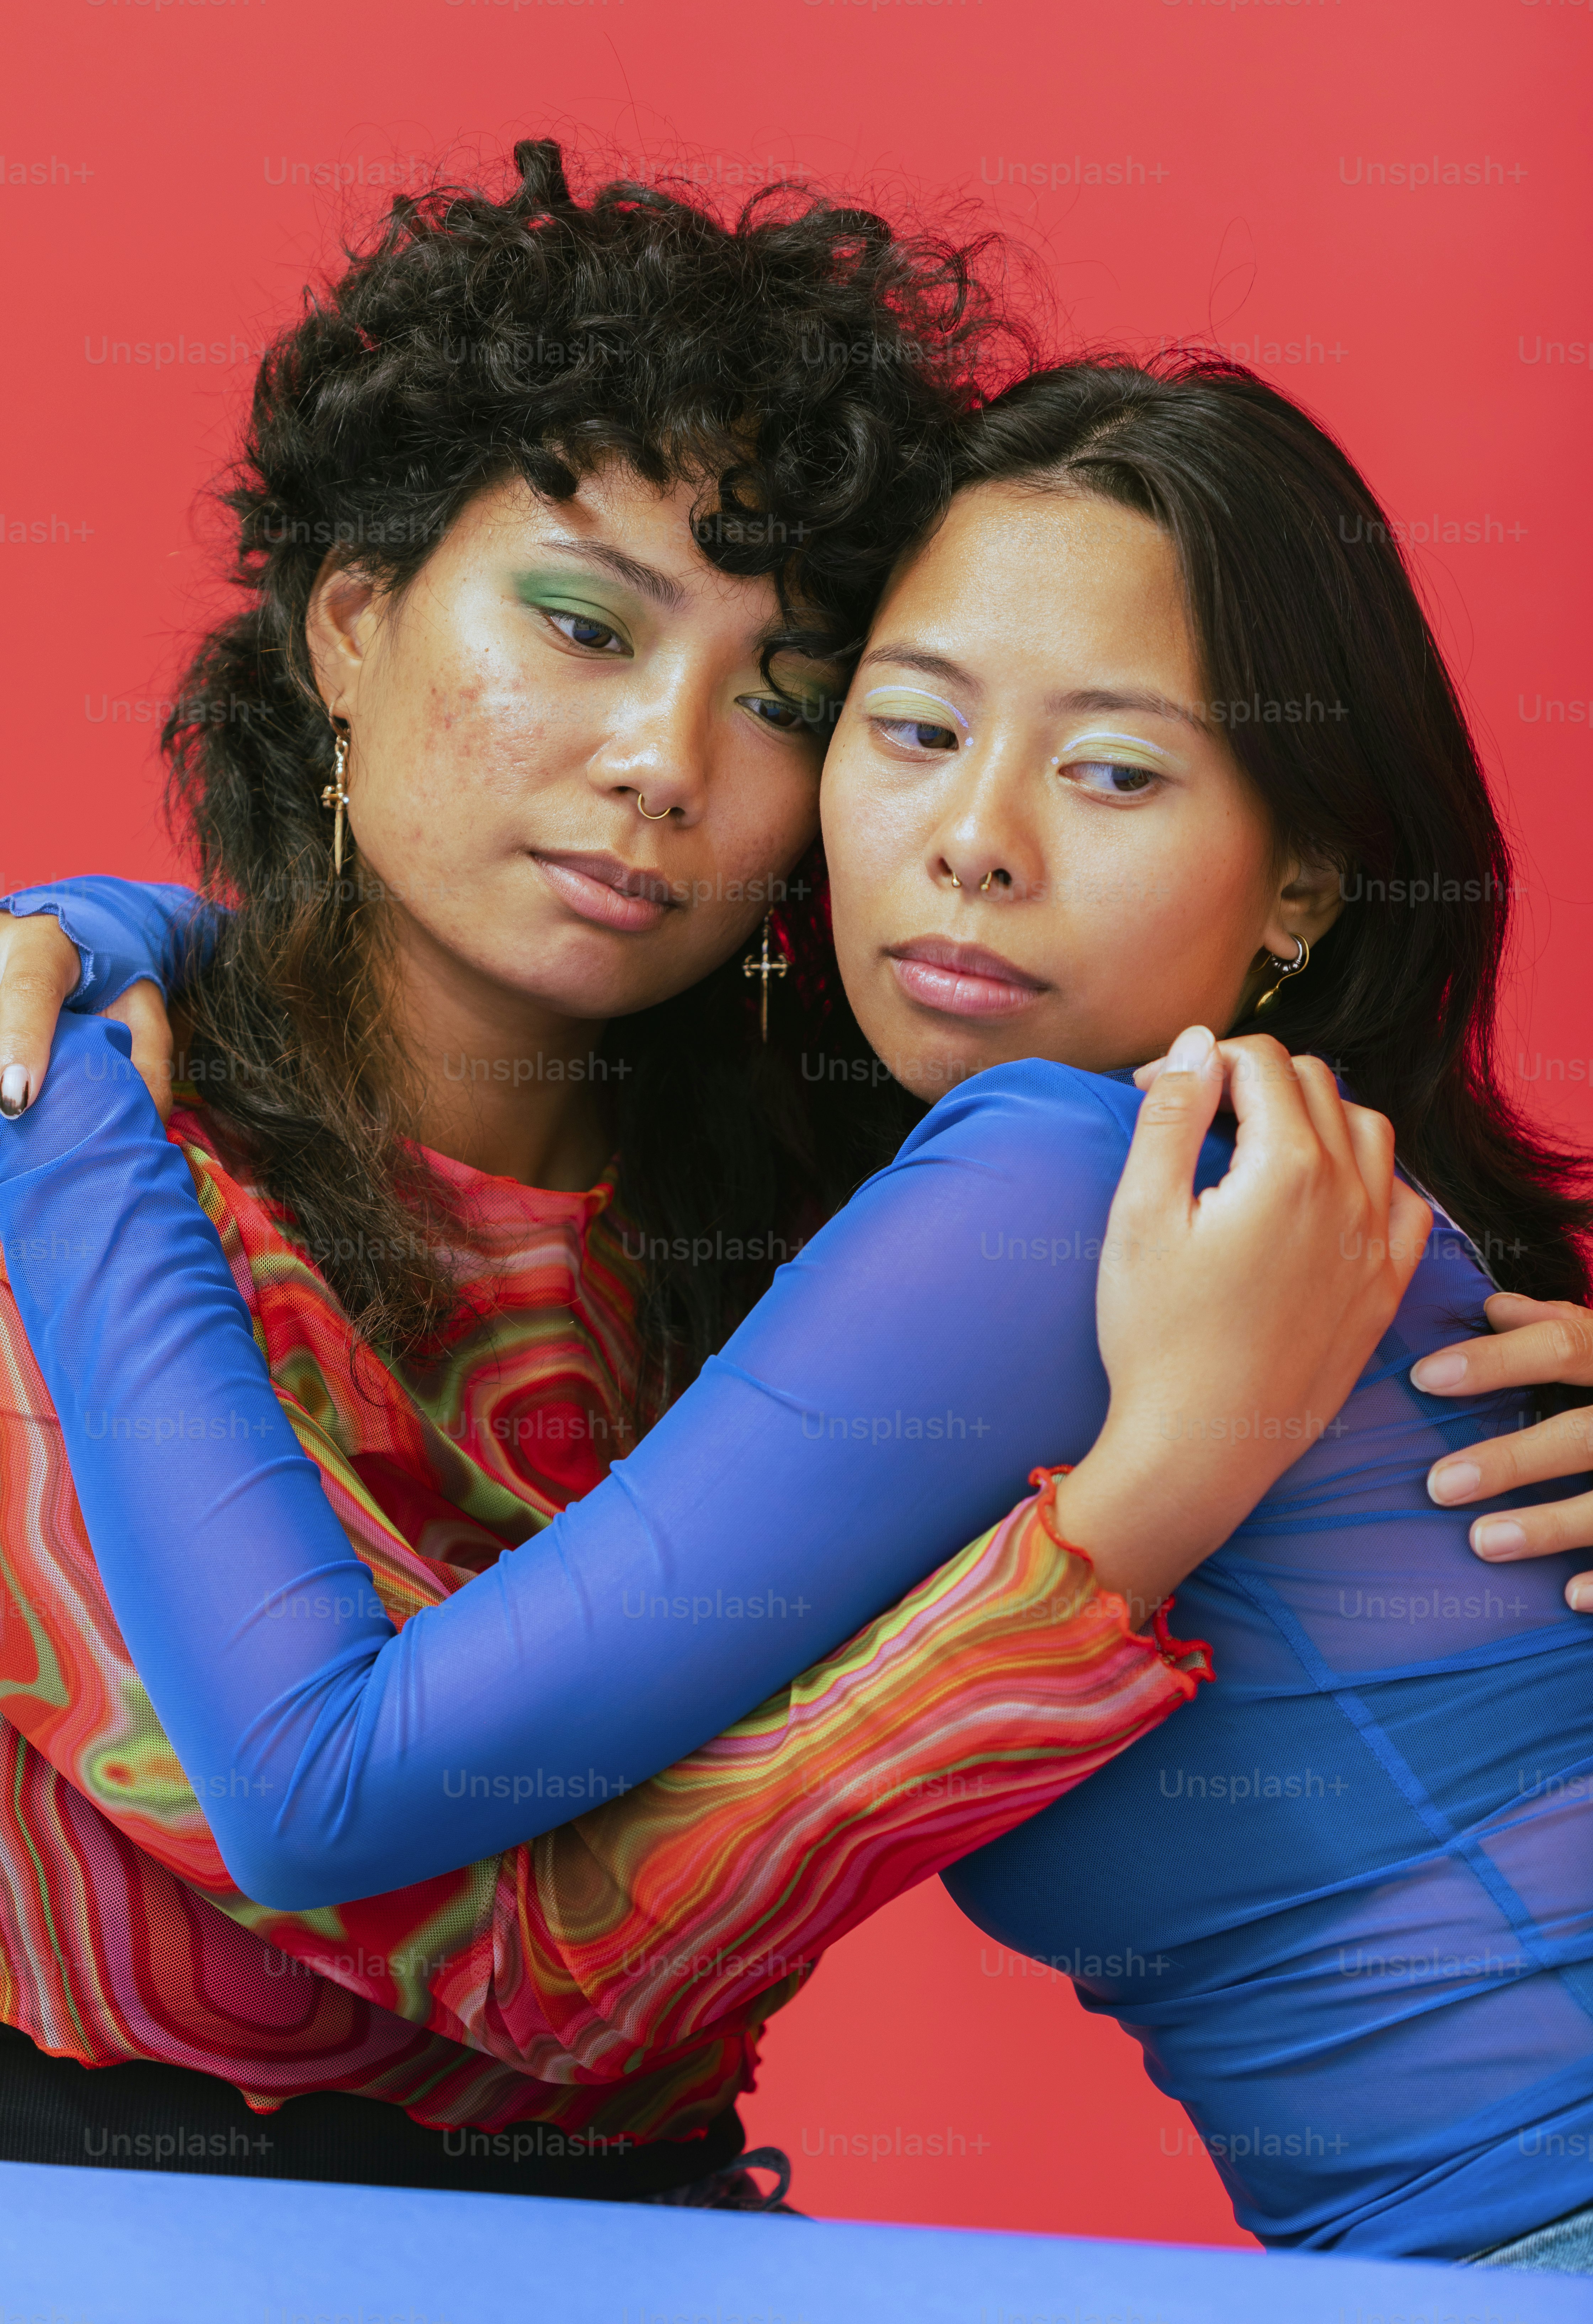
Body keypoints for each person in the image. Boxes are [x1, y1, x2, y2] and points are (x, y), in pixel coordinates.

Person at [5, 336, 1590, 2259]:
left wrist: (57, 1092)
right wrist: (104, 936)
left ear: (1305, 892)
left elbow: (329, 1789)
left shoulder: (1052, 1184)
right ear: (345, 628)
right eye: (910, 731)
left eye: (1112, 772)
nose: (976, 840)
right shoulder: (1071, 1198)